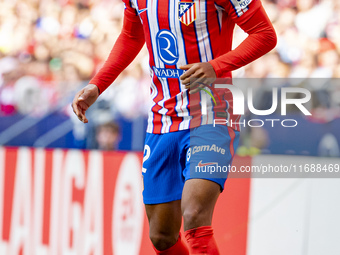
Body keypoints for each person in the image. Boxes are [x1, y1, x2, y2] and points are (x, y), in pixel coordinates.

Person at [72, 0, 276, 254]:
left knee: (194, 215)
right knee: (161, 236)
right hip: (162, 119)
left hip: (211, 113)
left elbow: (265, 34)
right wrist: (98, 84)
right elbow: (131, 37)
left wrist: (216, 66)